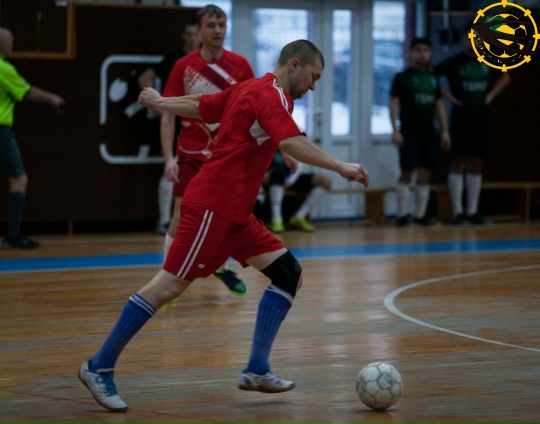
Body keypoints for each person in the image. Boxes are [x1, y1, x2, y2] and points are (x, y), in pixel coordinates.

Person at [78, 39, 368, 413]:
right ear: (295, 65)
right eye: (314, 77)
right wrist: (341, 166)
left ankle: (257, 369)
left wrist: (162, 102)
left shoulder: (249, 88)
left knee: (288, 275)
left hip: (238, 215)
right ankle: (98, 366)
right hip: (213, 206)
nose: (313, 86)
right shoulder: (273, 95)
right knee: (168, 287)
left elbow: (201, 105)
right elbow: (292, 141)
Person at [160, 4, 254, 296]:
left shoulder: (240, 65)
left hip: (227, 157)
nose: (217, 31)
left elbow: (257, 111)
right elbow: (168, 114)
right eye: (211, 25)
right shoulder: (183, 66)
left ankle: (220, 267)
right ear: (198, 31)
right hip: (190, 154)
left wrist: (283, 150)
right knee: (180, 217)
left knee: (226, 219)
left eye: (221, 25)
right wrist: (169, 159)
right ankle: (165, 279)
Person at [434, 25, 510, 225]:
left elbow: (505, 77)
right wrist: (448, 97)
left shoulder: (489, 60)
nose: (472, 41)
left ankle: (472, 211)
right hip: (461, 116)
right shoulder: (454, 62)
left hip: (480, 116)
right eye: (468, 38)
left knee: (477, 161)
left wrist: (490, 96)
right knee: (458, 161)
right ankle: (457, 212)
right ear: (462, 39)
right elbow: (431, 76)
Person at [0, 27, 65, 249]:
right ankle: (13, 234)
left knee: (17, 178)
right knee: (18, 179)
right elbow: (28, 92)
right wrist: (52, 98)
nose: (12, 45)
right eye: (10, 41)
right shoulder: (4, 68)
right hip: (1, 130)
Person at [137, 21, 200, 236]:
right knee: (172, 166)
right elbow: (144, 79)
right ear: (182, 36)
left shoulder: (208, 62)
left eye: (194, 34)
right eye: (188, 34)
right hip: (175, 122)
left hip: (200, 125)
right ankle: (164, 221)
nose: (192, 38)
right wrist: (161, 108)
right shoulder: (175, 59)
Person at [389, 37, 451, 227]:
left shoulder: (433, 77)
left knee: (425, 174)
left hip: (429, 132)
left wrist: (445, 131)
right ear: (411, 53)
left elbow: (438, 104)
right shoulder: (402, 77)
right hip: (409, 132)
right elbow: (393, 103)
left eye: (426, 50)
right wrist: (395, 130)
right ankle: (401, 216)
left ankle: (420, 215)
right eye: (418, 50)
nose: (422, 54)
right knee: (407, 172)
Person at [266, 149, 332, 233]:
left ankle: (299, 217)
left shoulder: (293, 144)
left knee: (325, 181)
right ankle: (276, 219)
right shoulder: (266, 143)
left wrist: (291, 179)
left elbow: (300, 162)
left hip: (292, 178)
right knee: (278, 174)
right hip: (272, 178)